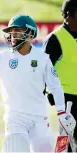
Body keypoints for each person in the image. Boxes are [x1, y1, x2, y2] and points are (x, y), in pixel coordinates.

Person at [0, 15, 75, 152]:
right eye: (11, 33)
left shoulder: (42, 58)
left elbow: (55, 86)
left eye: (17, 32)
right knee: (15, 147)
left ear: (30, 34)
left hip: (40, 117)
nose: (13, 36)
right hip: (15, 118)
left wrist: (61, 112)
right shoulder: (4, 57)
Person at [42, 0, 77, 151]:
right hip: (67, 101)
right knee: (65, 144)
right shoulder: (55, 39)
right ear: (69, 15)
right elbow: (42, 72)